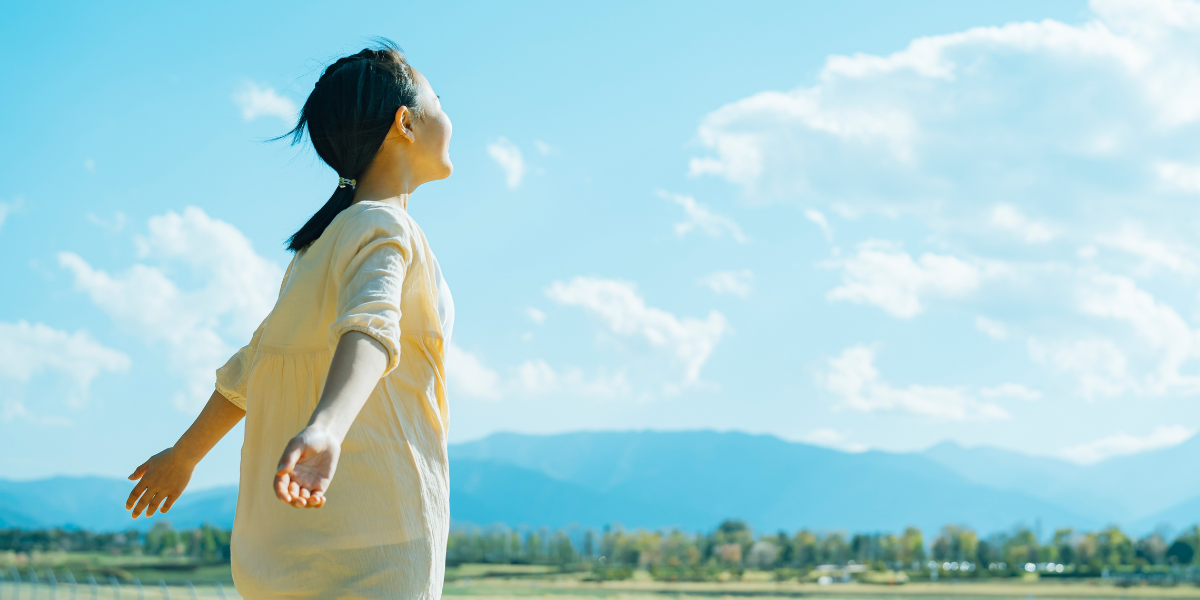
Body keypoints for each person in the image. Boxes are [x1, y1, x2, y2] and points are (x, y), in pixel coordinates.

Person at [122, 39, 456, 599]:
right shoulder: (385, 228)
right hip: (381, 541)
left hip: (281, 551)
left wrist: (184, 455)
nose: (448, 116)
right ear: (405, 122)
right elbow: (371, 329)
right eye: (438, 101)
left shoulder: (317, 246)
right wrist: (326, 427)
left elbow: (257, 363)